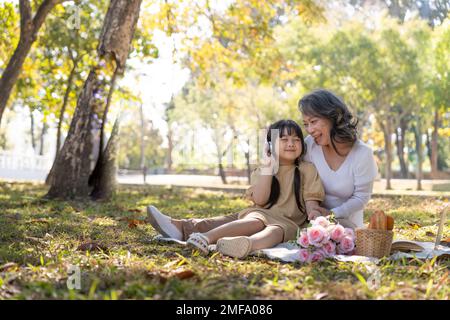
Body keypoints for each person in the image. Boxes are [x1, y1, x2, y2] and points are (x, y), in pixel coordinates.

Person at [147, 89, 378, 241]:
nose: (309, 130)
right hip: (302, 212)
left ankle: (198, 235)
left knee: (259, 221)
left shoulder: (362, 154)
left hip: (335, 221)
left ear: (332, 117)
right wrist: (266, 157)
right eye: (306, 124)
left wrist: (328, 214)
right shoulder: (309, 145)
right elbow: (282, 153)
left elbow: (361, 199)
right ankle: (181, 228)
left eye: (314, 122)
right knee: (245, 215)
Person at [147, 119, 325, 258]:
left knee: (274, 231)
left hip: (289, 223)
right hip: (260, 214)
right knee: (246, 220)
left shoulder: (306, 169)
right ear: (270, 145)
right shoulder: (263, 170)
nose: (291, 143)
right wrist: (268, 167)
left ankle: (243, 244)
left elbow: (311, 201)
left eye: (296, 139)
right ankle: (195, 233)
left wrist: (314, 213)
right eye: (284, 139)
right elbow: (261, 201)